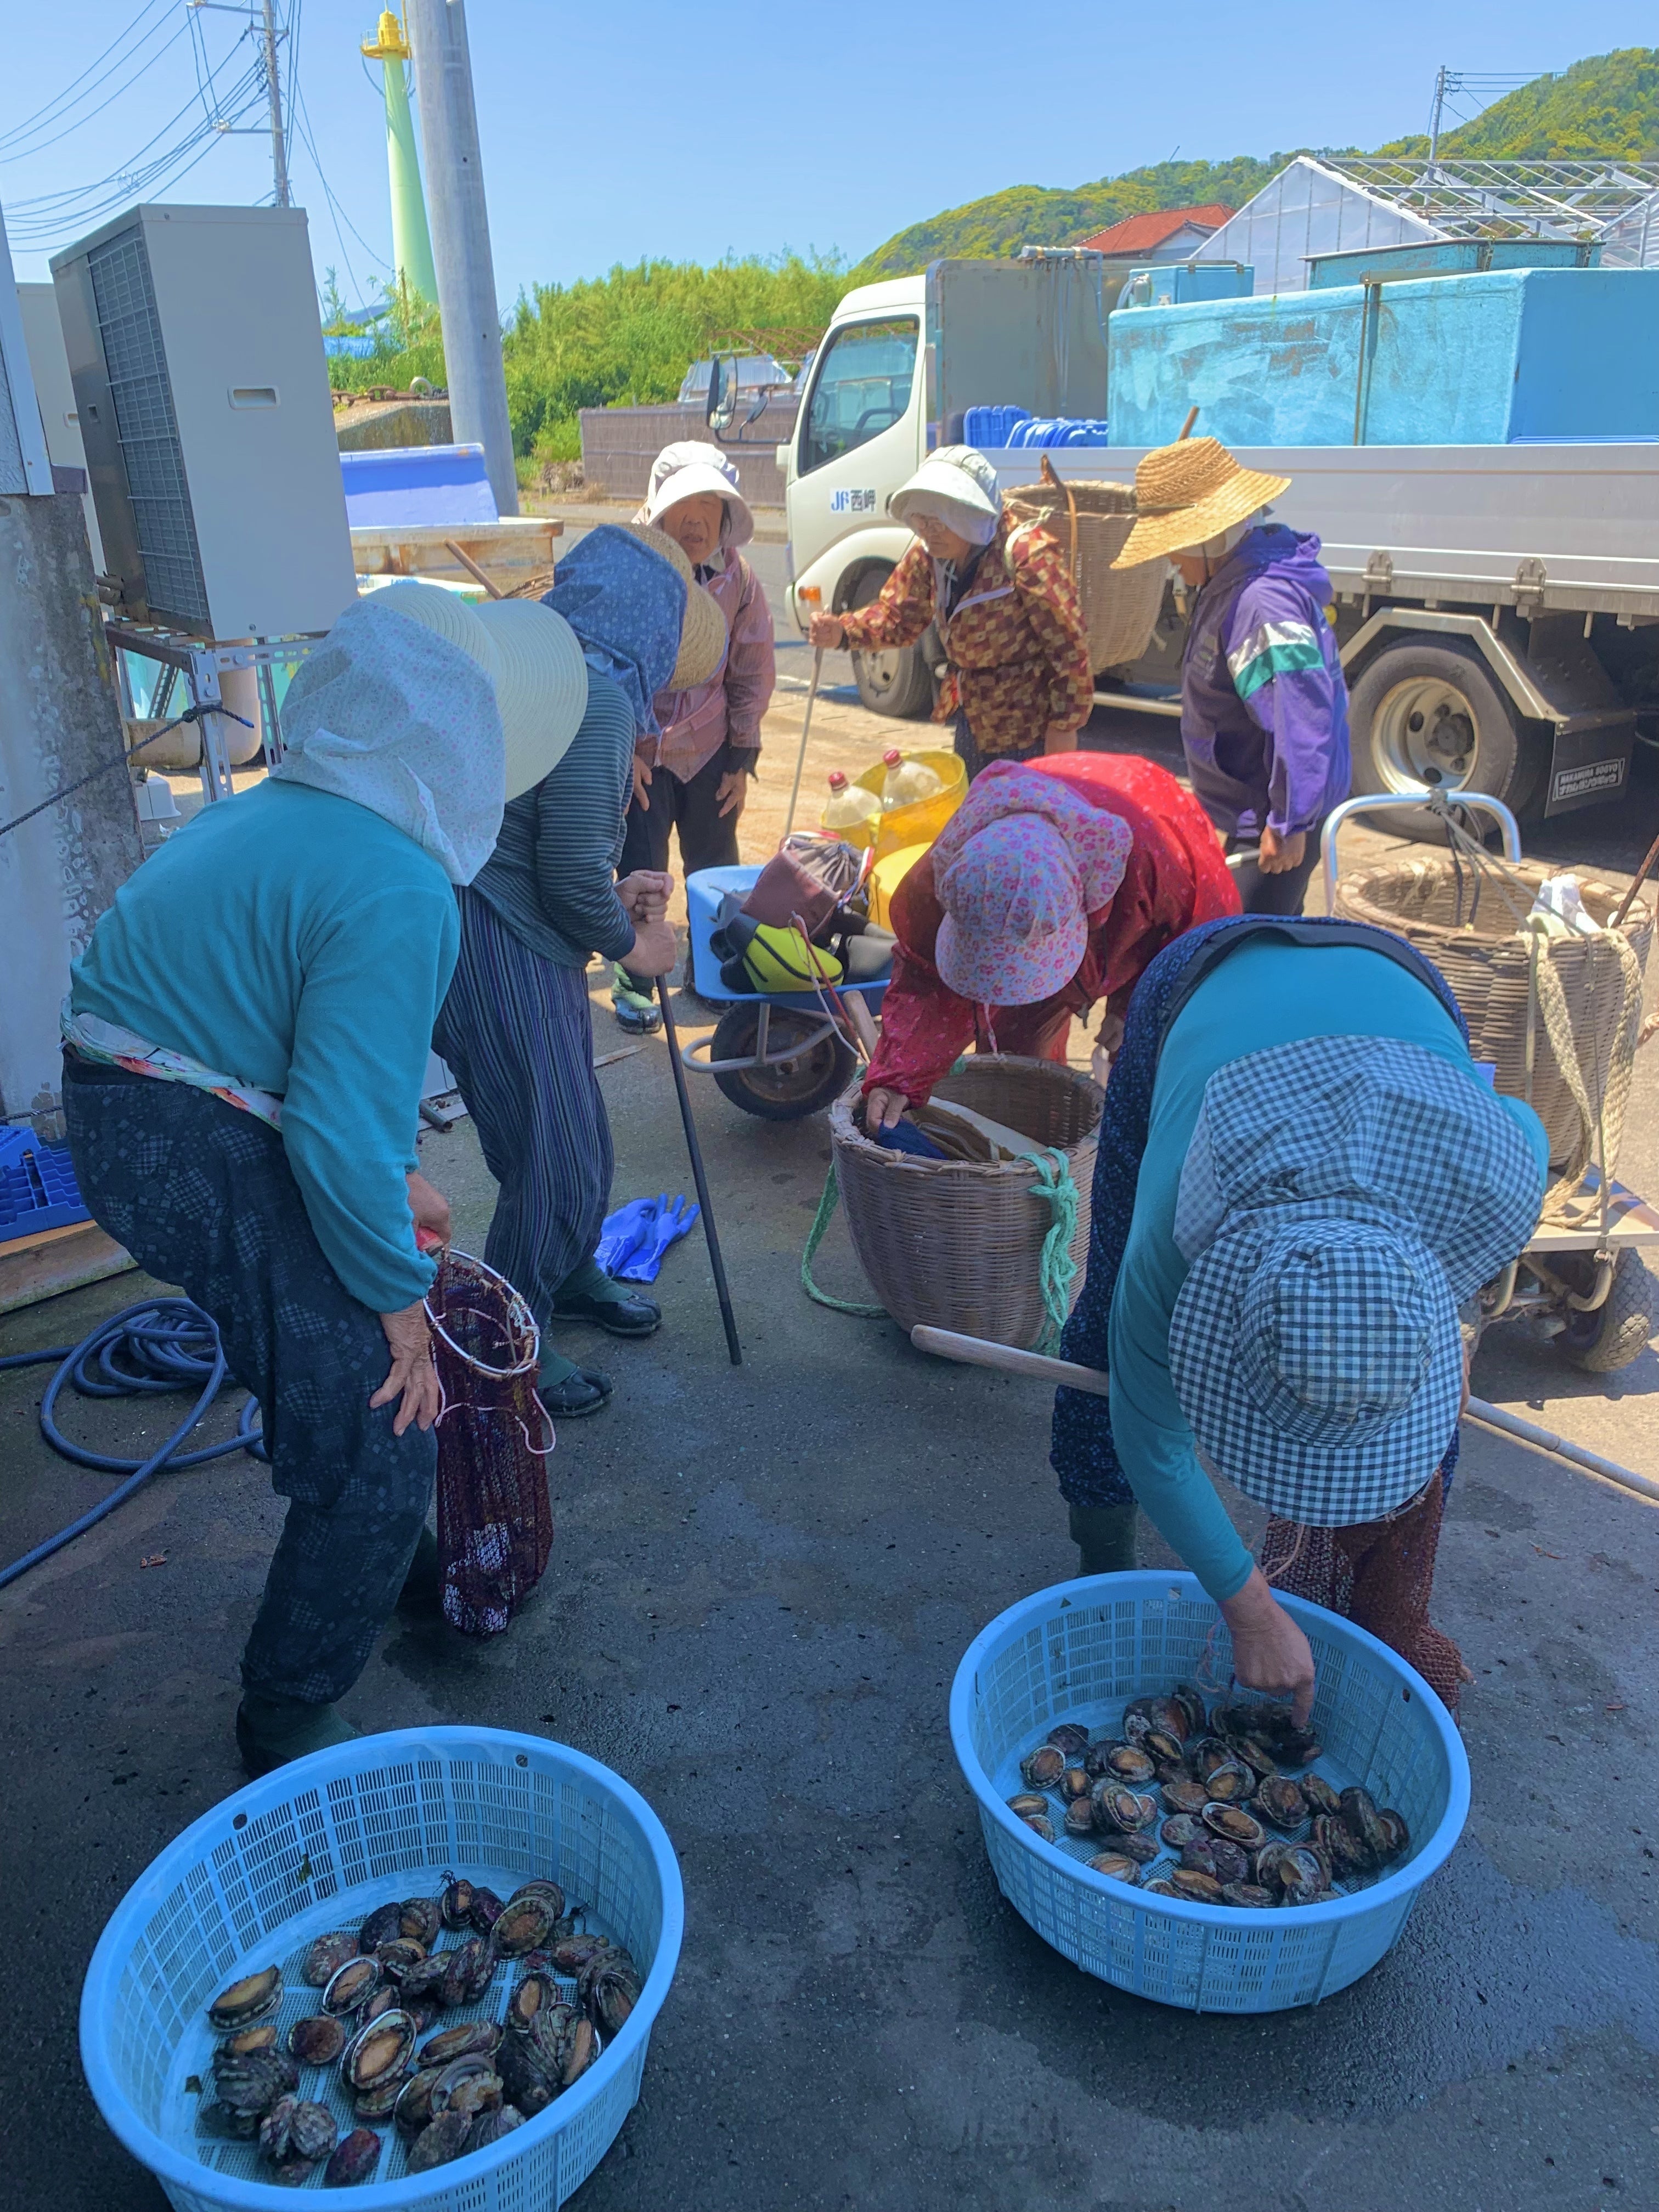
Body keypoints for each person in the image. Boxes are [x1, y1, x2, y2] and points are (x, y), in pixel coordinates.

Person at [61, 581, 581, 1775]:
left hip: (130, 1108)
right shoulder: (400, 882)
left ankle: (375, 1550)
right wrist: (397, 1305)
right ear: (465, 751)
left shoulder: (271, 810)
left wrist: (395, 1185)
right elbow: (337, 1137)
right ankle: (288, 1708)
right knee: (385, 1410)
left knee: (327, 1360)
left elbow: (318, 1071)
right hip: (182, 1135)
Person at [1050, 910, 1549, 1718]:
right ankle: (1102, 1572)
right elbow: (1154, 1440)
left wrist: (1454, 1334)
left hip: (1400, 982)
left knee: (1434, 1419)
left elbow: (1523, 1125)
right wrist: (1247, 1607)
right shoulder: (1177, 1234)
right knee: (1105, 1331)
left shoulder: (1499, 1177)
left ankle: (1374, 1614)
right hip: (1208, 981)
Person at [434, 530, 694, 1417]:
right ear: (652, 628)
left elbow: (529, 834)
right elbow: (570, 876)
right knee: (558, 1154)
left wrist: (607, 897)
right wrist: (634, 947)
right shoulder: (596, 696)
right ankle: (506, 1338)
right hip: (503, 940)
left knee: (545, 1133)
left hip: (468, 923)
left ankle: (567, 1268)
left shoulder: (526, 666)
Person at [861, 752, 1238, 1130]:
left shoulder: (1163, 858)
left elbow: (1200, 952)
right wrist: (899, 1077)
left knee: (1144, 1069)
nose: (1006, 989)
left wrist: (1135, 1008)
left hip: (1147, 881)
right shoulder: (944, 876)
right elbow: (925, 980)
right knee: (1016, 1062)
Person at [1111, 435, 1351, 916]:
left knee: (1242, 940)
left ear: (1210, 537)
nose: (1171, 560)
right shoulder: (1229, 585)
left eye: (1175, 545)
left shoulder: (1261, 604)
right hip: (1253, 812)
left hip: (1271, 818)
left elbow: (1301, 716)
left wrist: (1289, 822)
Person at [612, 444, 776, 1031]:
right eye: (685, 505)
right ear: (660, 509)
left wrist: (741, 758)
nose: (697, 522)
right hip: (643, 753)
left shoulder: (740, 579)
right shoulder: (629, 567)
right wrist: (623, 746)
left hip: (709, 748)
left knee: (714, 865)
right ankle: (636, 979)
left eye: (710, 506)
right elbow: (608, 662)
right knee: (641, 865)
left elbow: (751, 669)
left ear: (726, 516)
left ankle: (711, 970)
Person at [808, 446, 1093, 782]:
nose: (927, 530)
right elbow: (899, 616)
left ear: (968, 513)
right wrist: (842, 631)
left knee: (1020, 815)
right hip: (973, 722)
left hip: (1030, 732)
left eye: (938, 521)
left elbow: (1069, 647)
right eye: (921, 520)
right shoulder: (930, 555)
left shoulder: (1028, 555)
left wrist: (1063, 729)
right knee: (972, 810)